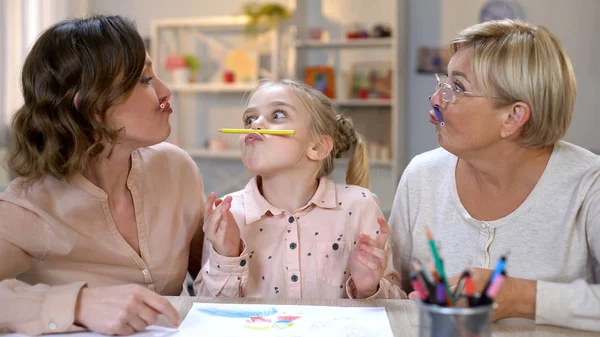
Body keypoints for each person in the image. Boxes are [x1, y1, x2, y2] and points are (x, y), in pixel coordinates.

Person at [388, 19, 600, 331]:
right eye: (443, 83)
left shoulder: (589, 184)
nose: (436, 99)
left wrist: (519, 297)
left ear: (513, 116)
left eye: (457, 88)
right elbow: (399, 294)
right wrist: (373, 282)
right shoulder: (422, 176)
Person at [0, 15, 206, 335]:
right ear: (91, 109)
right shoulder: (27, 206)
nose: (166, 92)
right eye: (145, 80)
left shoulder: (176, 168)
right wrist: (79, 305)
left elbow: (211, 279)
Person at [194, 79, 405, 299]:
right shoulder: (227, 216)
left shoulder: (360, 205)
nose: (255, 124)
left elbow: (397, 304)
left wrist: (369, 288)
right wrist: (226, 258)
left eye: (277, 115)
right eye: (249, 119)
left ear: (317, 147)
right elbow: (204, 311)